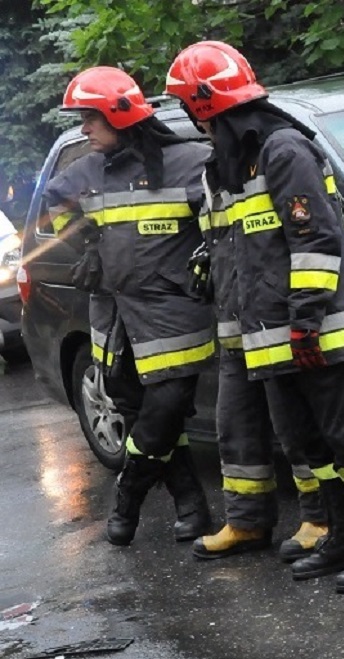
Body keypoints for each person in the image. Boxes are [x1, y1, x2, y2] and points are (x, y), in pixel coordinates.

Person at [165, 42, 344, 590]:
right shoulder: (227, 166)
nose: (188, 118)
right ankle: (343, 532)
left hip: (316, 332)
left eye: (188, 106)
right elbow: (241, 252)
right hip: (272, 338)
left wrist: (305, 321)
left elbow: (316, 240)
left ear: (207, 106)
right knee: (306, 444)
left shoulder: (283, 150)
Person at [46, 67, 214, 546]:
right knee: (139, 407)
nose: (84, 130)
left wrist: (205, 258)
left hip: (174, 313)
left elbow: (224, 221)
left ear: (121, 116)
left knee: (166, 405)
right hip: (115, 318)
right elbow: (55, 201)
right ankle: (191, 506)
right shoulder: (87, 171)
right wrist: (86, 245)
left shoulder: (191, 162)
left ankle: (128, 497)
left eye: (91, 120)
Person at [180, 154, 328, 562]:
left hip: (273, 325)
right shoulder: (213, 169)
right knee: (235, 430)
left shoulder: (273, 157)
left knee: (295, 429)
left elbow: (307, 236)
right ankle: (247, 522)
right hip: (234, 326)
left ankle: (321, 519)